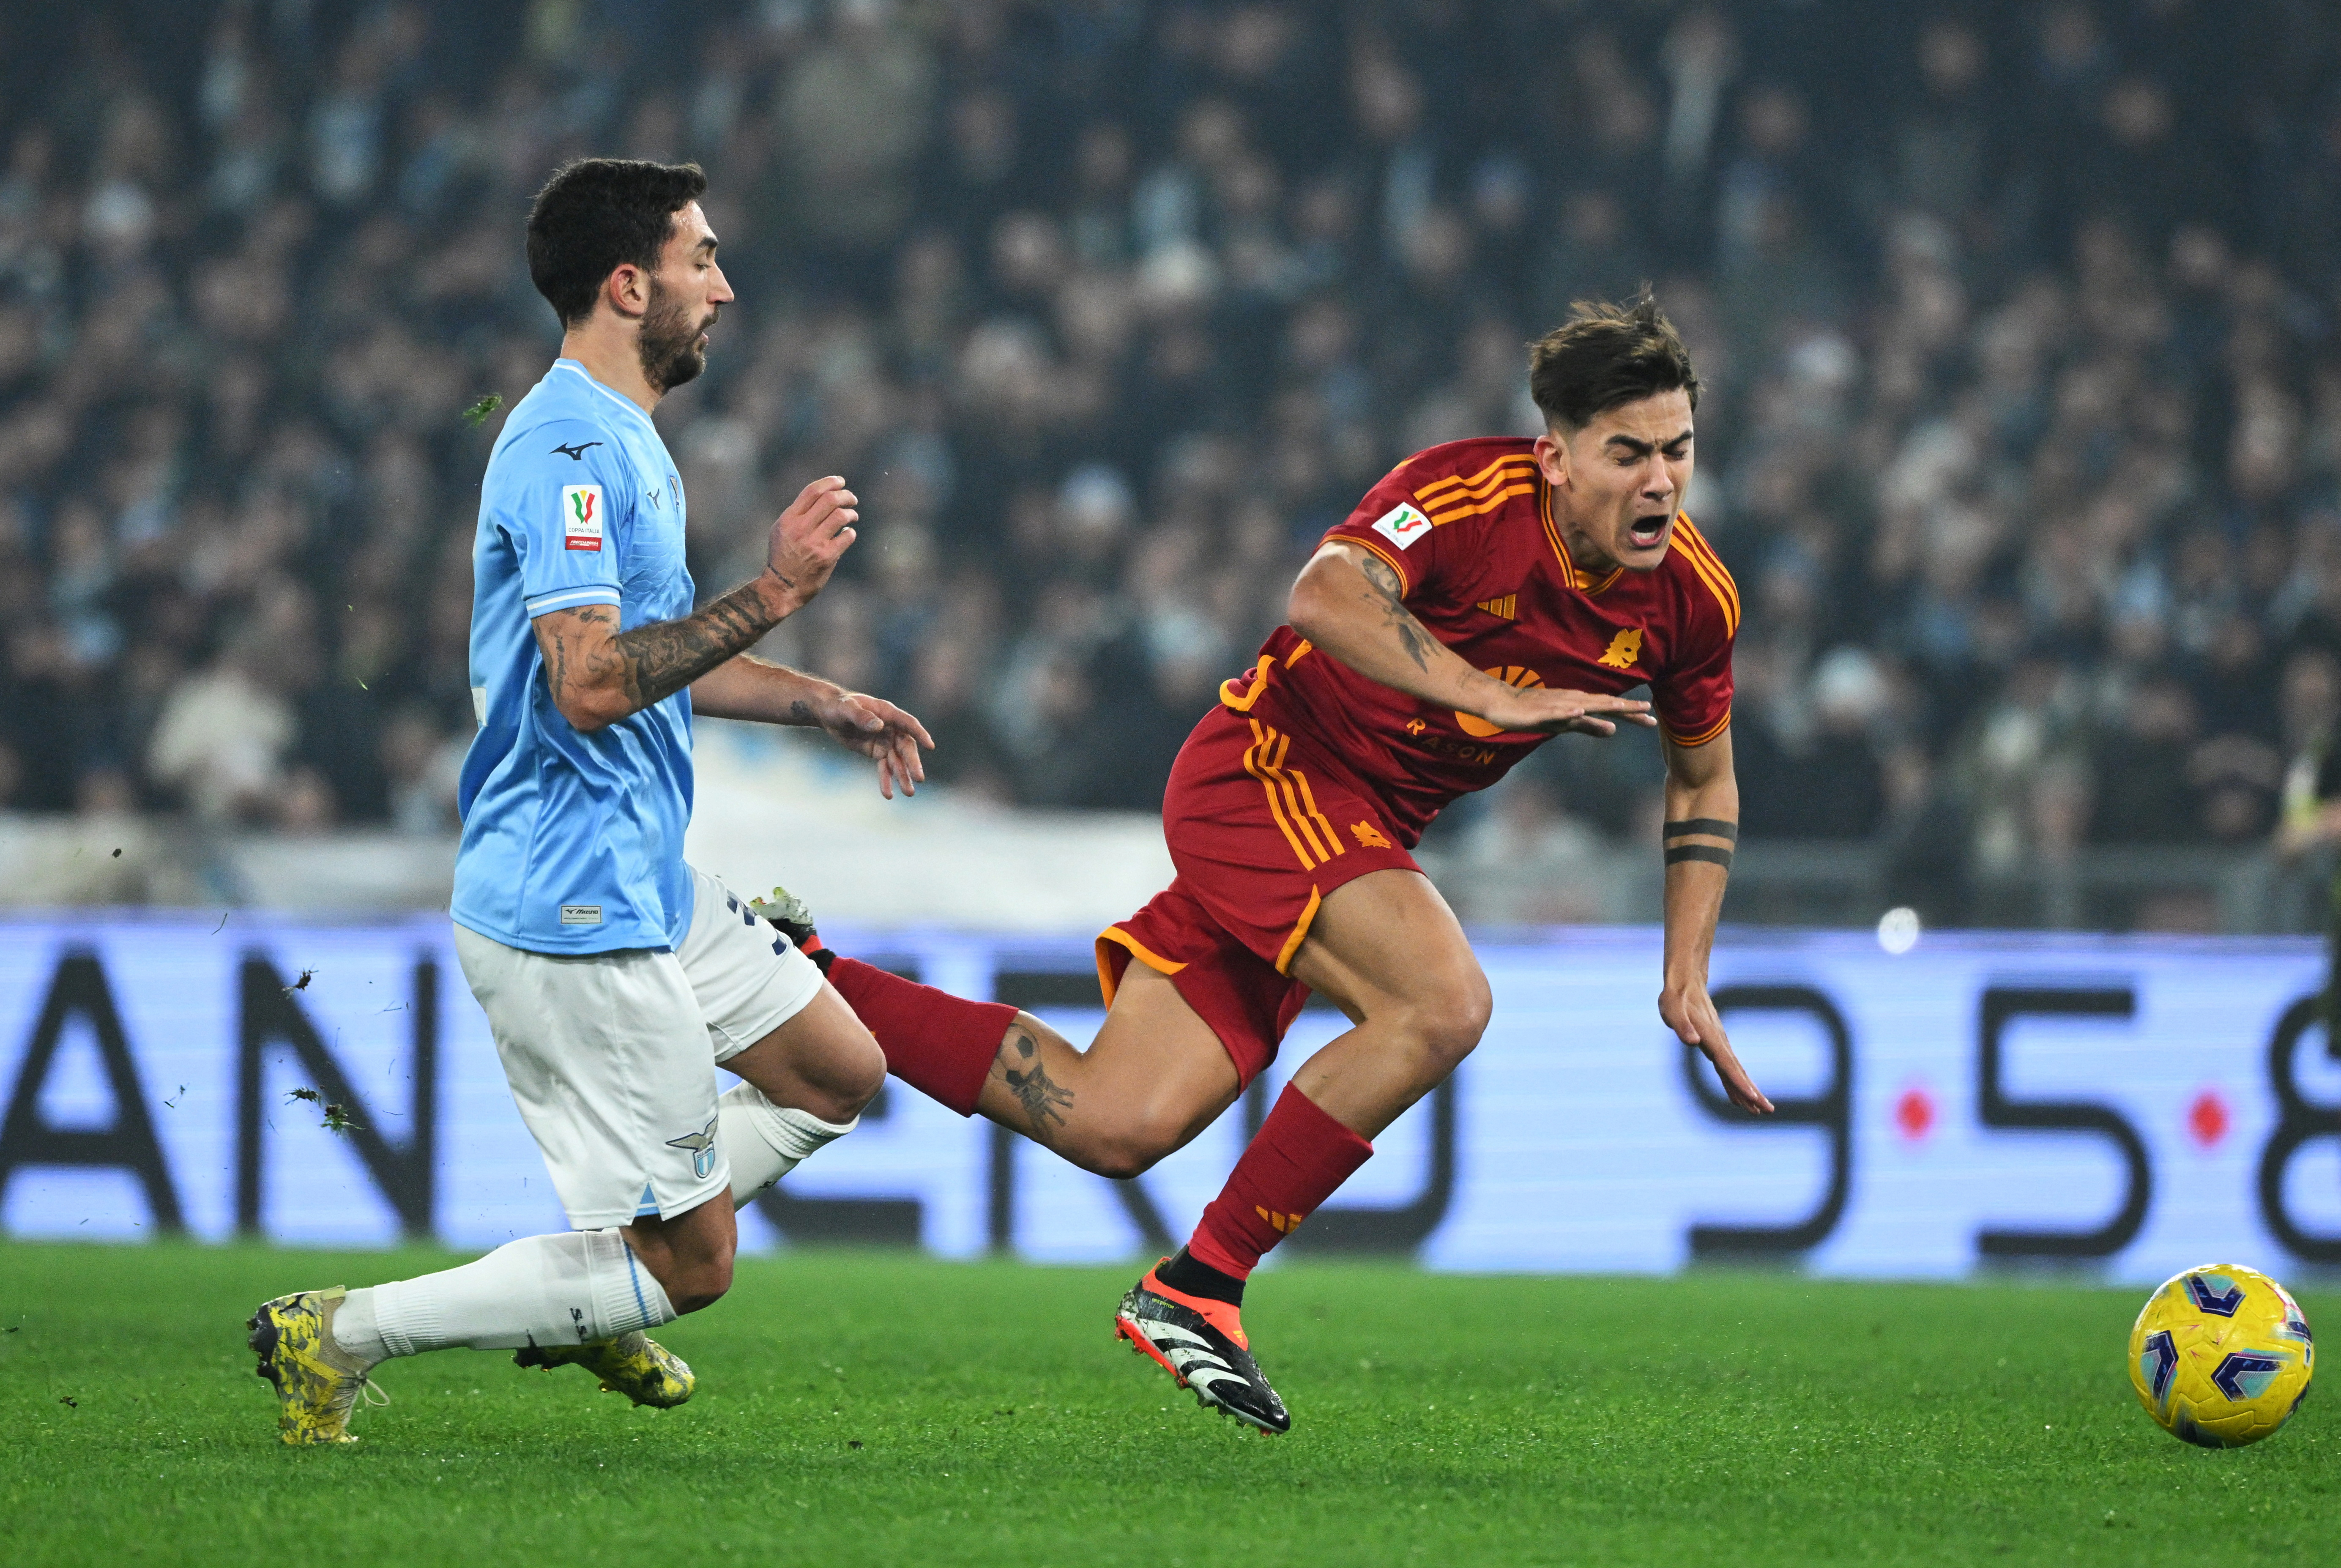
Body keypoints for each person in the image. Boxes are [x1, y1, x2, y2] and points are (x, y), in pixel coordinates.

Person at [787, 295, 1774, 1433]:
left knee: (1117, 1120)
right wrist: (1490, 694)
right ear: (1555, 457)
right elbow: (1323, 594)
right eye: (1628, 453)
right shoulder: (1467, 495)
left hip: (1350, 836)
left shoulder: (1692, 600)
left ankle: (798, 976)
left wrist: (1685, 975)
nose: (1660, 481)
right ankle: (1199, 1286)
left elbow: (1703, 781)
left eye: (1679, 450)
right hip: (1265, 772)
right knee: (1441, 1003)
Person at [246, 159, 933, 1445]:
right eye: (703, 259)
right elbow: (591, 684)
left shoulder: (625, 440)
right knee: (695, 1269)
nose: (724, 288)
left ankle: (592, 1279)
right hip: (568, 900)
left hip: (638, 877)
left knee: (838, 1073)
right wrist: (774, 593)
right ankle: (333, 1337)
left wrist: (813, 699)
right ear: (630, 284)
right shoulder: (567, 446)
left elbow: (654, 659)